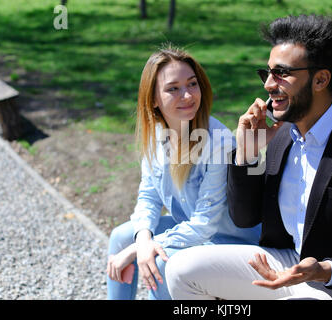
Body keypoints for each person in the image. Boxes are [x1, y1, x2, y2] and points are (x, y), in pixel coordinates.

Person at [165, 15, 332, 300]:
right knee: (181, 269)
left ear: (321, 79)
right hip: (287, 264)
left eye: (282, 74)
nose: (268, 85)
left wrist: (326, 269)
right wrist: (248, 155)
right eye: (267, 73)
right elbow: (244, 218)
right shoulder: (282, 138)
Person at [106, 45, 261, 300]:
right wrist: (142, 240)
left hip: (229, 243)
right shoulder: (156, 134)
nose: (188, 96)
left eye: (192, 84)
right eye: (173, 88)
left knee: (161, 261)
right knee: (122, 236)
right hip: (194, 230)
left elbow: (204, 225)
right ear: (153, 99)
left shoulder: (219, 141)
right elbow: (149, 197)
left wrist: (141, 251)